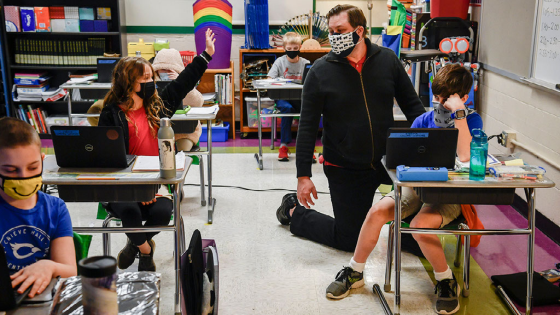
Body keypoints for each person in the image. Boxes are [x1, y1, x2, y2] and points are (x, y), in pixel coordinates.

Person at [326, 64, 482, 315]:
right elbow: (405, 156)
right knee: (377, 212)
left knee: (421, 225)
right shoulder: (424, 119)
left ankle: (445, 280)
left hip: (449, 193)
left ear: (463, 97)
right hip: (417, 187)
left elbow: (465, 155)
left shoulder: (472, 120)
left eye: (447, 98)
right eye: (437, 97)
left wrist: (460, 115)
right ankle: (355, 271)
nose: (440, 103)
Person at [276, 5, 425, 252]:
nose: (335, 37)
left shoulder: (388, 60)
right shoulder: (320, 72)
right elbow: (307, 126)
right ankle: (293, 211)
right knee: (350, 240)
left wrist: (429, 147)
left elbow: (414, 109)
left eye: (341, 30)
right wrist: (304, 176)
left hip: (388, 162)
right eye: (332, 31)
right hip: (345, 166)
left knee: (411, 237)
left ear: (360, 31)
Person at [98, 28, 215, 272]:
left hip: (154, 182)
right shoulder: (112, 112)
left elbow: (184, 82)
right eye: (146, 79)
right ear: (128, 82)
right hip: (123, 185)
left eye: (152, 77)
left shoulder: (159, 105)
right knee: (129, 211)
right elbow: (107, 157)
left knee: (163, 212)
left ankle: (135, 244)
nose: (152, 82)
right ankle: (146, 251)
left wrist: (206, 55)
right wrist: (135, 188)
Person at [0, 117, 77, 298]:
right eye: (11, 170)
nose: (23, 177)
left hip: (43, 297)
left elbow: (70, 270)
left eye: (33, 167)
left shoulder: (55, 208)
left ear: (42, 161)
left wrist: (49, 266)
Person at [267, 32, 313, 162]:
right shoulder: (279, 62)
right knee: (287, 109)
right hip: (283, 98)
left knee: (308, 111)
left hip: (300, 98)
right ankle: (283, 146)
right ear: (284, 48)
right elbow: (269, 78)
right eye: (289, 49)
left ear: (299, 47)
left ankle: (307, 147)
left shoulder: (306, 63)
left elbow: (312, 81)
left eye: (295, 48)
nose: (292, 51)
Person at [152, 48, 204, 152]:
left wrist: (182, 83)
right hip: (158, 130)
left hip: (185, 130)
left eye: (170, 70)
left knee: (181, 152)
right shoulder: (151, 83)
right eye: (163, 70)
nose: (166, 73)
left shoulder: (185, 82)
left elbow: (198, 102)